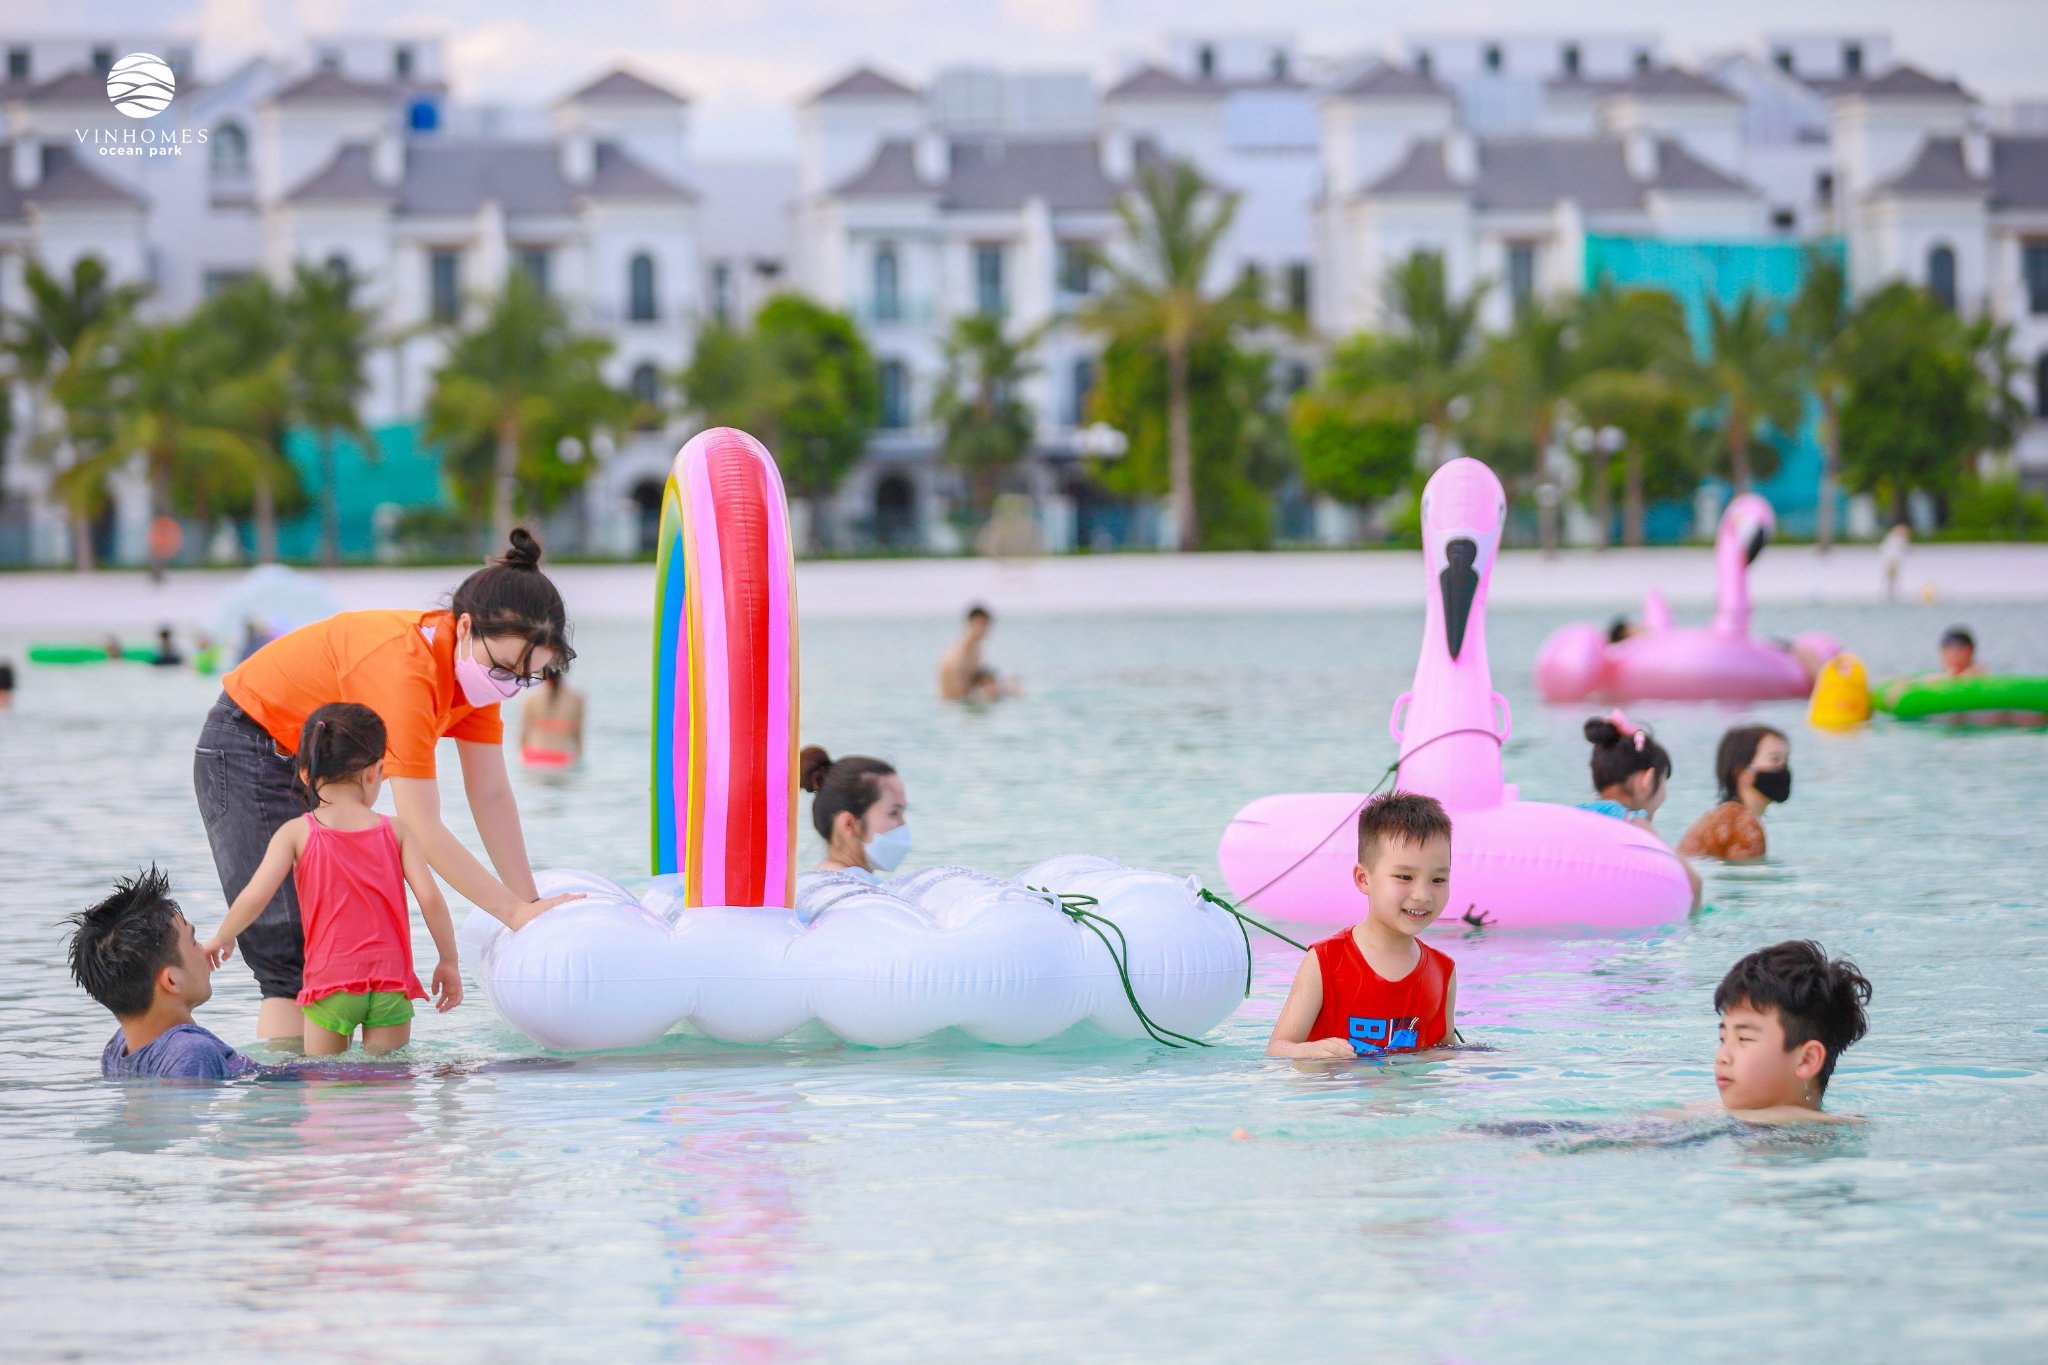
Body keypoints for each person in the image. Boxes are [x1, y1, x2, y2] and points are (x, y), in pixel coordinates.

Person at [194, 527, 581, 1041]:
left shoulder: (476, 681)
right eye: (504, 668)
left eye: (526, 678)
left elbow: (490, 793)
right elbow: (422, 826)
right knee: (290, 954)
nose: (509, 686)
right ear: (465, 627)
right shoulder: (407, 671)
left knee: (341, 949)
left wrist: (528, 905)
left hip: (327, 764)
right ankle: (286, 1089)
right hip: (249, 745)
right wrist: (511, 913)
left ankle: (336, 1082)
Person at [203, 702, 462, 1056]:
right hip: (390, 981)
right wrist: (448, 961)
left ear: (304, 774)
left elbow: (256, 895)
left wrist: (223, 936)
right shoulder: (397, 831)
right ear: (375, 772)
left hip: (330, 984)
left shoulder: (296, 832)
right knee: (390, 1080)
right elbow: (430, 898)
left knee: (326, 1081)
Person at [1266, 792, 1457, 1060]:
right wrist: (1311, 1051)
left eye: (1438, 880)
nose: (1422, 895)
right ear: (1363, 879)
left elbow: (1445, 1051)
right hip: (1334, 1087)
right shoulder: (1325, 961)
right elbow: (1277, 1050)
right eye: (1405, 877)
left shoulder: (1442, 970)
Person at [67, 867, 255, 1081]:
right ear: (171, 981)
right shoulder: (191, 1052)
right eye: (193, 942)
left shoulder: (116, 1050)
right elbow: (193, 1101)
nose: (204, 950)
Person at [1714, 940, 1871, 1124]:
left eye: (1744, 1038)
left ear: (1807, 1059)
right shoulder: (1716, 1113)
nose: (1722, 1057)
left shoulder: (1830, 1129)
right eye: (1723, 1039)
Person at [1579, 712, 1702, 910]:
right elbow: (1693, 884)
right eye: (1664, 782)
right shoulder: (1629, 821)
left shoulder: (1578, 815)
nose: (1664, 794)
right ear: (1648, 780)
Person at [1677, 725, 1790, 863]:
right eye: (1775, 760)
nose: (1783, 769)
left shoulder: (1725, 817)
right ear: (1743, 772)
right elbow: (1747, 875)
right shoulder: (1743, 825)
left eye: (1785, 760)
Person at [800, 747, 909, 881]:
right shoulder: (862, 890)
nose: (903, 825)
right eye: (894, 813)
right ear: (849, 824)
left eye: (903, 812)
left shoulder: (803, 883)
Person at [938, 604, 1011, 702]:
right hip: (955, 707)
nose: (984, 629)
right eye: (980, 624)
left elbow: (975, 681)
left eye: (986, 624)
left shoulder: (975, 651)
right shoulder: (956, 656)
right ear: (970, 623)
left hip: (968, 703)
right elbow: (956, 697)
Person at [519, 670, 586, 768]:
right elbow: (578, 733)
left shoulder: (531, 698)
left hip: (534, 755)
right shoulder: (577, 698)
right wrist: (580, 756)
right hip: (561, 756)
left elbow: (524, 733)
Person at [1879, 522, 1909, 603]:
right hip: (1892, 561)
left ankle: (1891, 593)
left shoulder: (1893, 538)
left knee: (1892, 578)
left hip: (1892, 561)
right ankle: (1891, 593)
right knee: (1891, 577)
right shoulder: (1895, 538)